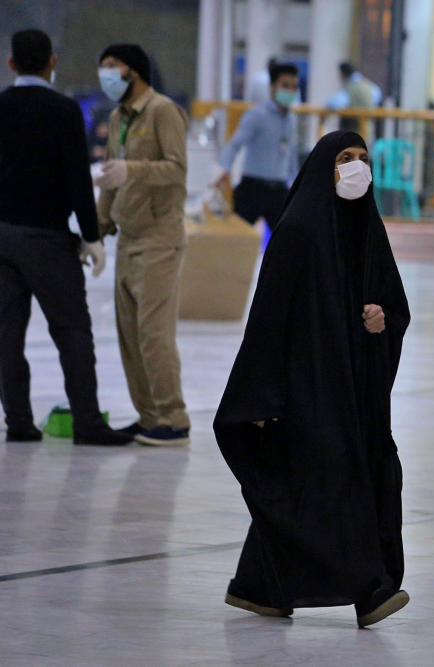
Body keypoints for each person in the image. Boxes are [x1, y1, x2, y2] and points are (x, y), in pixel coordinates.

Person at [214, 131, 410, 628]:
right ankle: (371, 588)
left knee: (311, 484)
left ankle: (261, 587)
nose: (356, 169)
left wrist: (380, 318)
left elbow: (394, 301)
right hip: (305, 385)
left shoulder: (366, 228)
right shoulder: (299, 230)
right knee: (335, 483)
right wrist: (263, 395)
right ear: (324, 166)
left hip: (352, 382)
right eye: (345, 159)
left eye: (363, 159)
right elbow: (268, 318)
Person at [0, 30, 130, 446]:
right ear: (52, 63)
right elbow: (77, 179)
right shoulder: (64, 110)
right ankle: (87, 423)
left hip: (1, 237)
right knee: (72, 330)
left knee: (6, 334)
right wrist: (92, 238)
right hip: (47, 240)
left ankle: (18, 422)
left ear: (10, 64)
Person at [94, 44, 191, 446]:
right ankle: (149, 416)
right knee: (131, 337)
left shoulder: (163, 111)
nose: (106, 76)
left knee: (154, 335)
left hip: (158, 239)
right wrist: (96, 231)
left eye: (111, 68)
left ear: (133, 71)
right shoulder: (119, 117)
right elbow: (110, 180)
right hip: (127, 239)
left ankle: (175, 418)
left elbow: (176, 168)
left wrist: (130, 169)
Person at [215, 61, 300, 231]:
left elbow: (290, 153)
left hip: (278, 189)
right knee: (237, 238)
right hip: (252, 188)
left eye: (293, 86)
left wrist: (297, 182)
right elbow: (234, 145)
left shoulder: (291, 119)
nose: (289, 91)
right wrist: (224, 169)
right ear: (272, 87)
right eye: (285, 85)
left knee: (287, 239)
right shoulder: (256, 115)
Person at [327, 62, 381, 135]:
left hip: (353, 128)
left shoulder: (350, 86)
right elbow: (378, 98)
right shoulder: (369, 85)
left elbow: (337, 103)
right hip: (367, 128)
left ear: (342, 73)